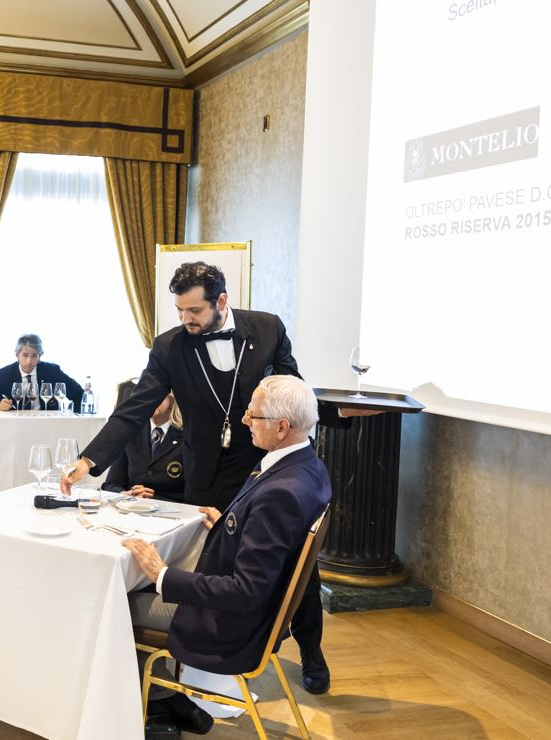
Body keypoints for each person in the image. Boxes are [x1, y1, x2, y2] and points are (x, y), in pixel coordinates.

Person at [62, 261, 369, 694]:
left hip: (260, 464)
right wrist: (89, 461)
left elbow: (293, 394)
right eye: (180, 311)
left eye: (194, 311)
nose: (185, 319)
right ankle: (201, 666)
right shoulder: (169, 347)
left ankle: (311, 650)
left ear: (221, 301)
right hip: (204, 470)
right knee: (213, 557)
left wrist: (341, 414)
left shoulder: (267, 329)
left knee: (291, 564)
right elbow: (134, 409)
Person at [122, 376, 333, 734]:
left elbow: (245, 591)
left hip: (233, 624)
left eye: (254, 415)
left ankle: (158, 705)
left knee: (121, 603)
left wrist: (163, 576)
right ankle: (170, 699)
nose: (245, 421)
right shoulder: (307, 467)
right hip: (259, 612)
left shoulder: (280, 493)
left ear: (282, 427)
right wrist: (231, 523)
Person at [101, 393, 185, 503]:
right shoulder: (132, 431)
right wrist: (125, 494)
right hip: (132, 508)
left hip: (173, 510)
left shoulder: (187, 436)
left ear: (171, 400)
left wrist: (154, 499)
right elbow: (111, 484)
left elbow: (193, 494)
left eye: (154, 395)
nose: (148, 401)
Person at [0, 334, 84, 412]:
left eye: (34, 356)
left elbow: (79, 394)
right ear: (17, 355)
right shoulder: (4, 374)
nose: (29, 361)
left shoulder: (53, 371)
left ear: (40, 356)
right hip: (15, 424)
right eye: (25, 355)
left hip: (47, 423)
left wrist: (74, 416)